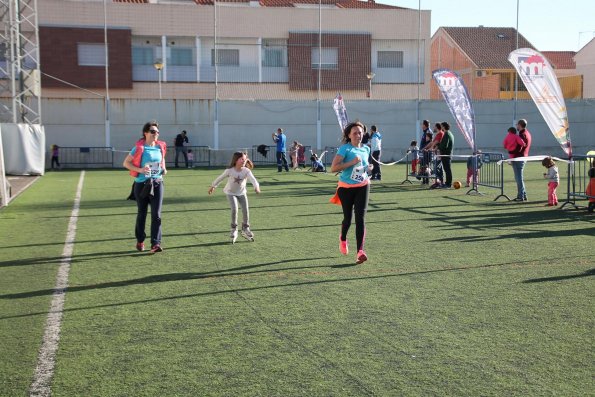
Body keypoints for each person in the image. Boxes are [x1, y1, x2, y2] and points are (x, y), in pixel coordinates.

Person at [330, 121, 371, 265]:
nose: (358, 135)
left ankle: (360, 252)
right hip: (345, 188)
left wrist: (368, 168)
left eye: (360, 132)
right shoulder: (345, 149)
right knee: (348, 218)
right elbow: (333, 168)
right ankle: (343, 238)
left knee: (360, 218)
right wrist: (352, 162)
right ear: (349, 135)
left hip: (363, 185)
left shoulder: (366, 149)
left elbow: (363, 167)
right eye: (355, 133)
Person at [123, 120, 167, 253]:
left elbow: (162, 160)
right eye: (153, 131)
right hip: (142, 184)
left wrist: (164, 169)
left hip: (157, 183)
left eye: (157, 132)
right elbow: (126, 163)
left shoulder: (160, 147)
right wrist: (141, 170)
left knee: (156, 214)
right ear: (145, 133)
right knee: (142, 214)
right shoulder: (139, 148)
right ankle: (140, 240)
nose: (156, 134)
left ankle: (155, 243)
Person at [208, 151, 261, 243]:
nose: (244, 161)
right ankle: (233, 229)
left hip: (242, 193)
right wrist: (213, 186)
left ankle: (245, 228)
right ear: (236, 160)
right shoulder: (230, 170)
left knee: (245, 210)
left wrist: (256, 187)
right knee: (235, 209)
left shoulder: (246, 171)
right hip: (230, 193)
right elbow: (220, 178)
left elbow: (253, 180)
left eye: (245, 159)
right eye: (242, 159)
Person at [503, 125, 528, 201]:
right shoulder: (517, 136)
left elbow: (504, 145)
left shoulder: (507, 137)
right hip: (517, 155)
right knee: (519, 177)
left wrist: (508, 147)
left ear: (509, 131)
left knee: (518, 177)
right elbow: (523, 143)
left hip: (512, 155)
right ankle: (523, 194)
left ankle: (521, 196)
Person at [437, 121, 454, 188]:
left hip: (446, 154)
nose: (441, 127)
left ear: (444, 126)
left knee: (447, 170)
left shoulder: (446, 133)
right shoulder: (450, 133)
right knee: (447, 169)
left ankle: (448, 184)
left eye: (441, 126)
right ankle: (448, 183)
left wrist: (438, 146)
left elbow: (444, 145)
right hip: (448, 154)